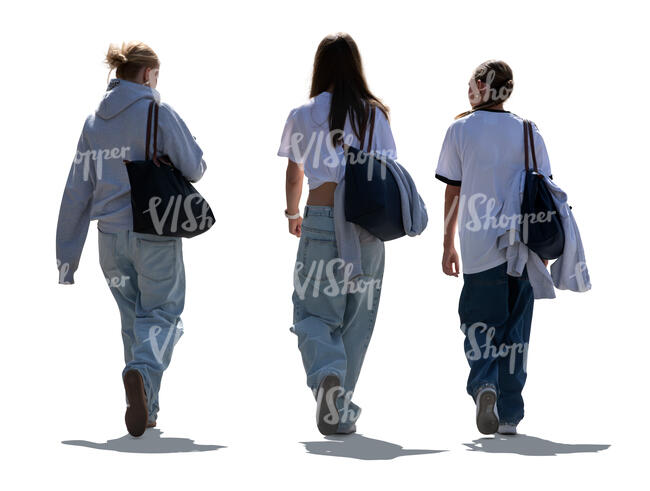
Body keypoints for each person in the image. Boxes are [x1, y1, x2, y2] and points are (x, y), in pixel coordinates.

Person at [55, 41, 206, 437]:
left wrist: (67, 258)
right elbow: (195, 167)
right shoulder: (157, 112)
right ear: (146, 74)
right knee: (163, 316)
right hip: (153, 233)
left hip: (110, 241)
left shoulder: (92, 123)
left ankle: (146, 408)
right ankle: (140, 373)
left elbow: (77, 190)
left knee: (133, 323)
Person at [278, 33, 397, 435]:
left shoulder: (302, 113)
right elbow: (387, 169)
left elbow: (295, 172)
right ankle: (338, 404)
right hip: (366, 223)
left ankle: (327, 376)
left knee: (312, 312)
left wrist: (292, 212)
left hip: (321, 215)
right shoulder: (375, 114)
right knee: (357, 319)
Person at [435, 60, 552, 435]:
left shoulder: (460, 131)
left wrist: (447, 244)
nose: (468, 88)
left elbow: (453, 191)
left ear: (484, 86)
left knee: (478, 323)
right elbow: (546, 192)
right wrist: (546, 250)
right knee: (515, 333)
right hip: (525, 246)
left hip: (479, 248)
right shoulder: (529, 131)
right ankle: (509, 414)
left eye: (472, 81)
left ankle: (484, 384)